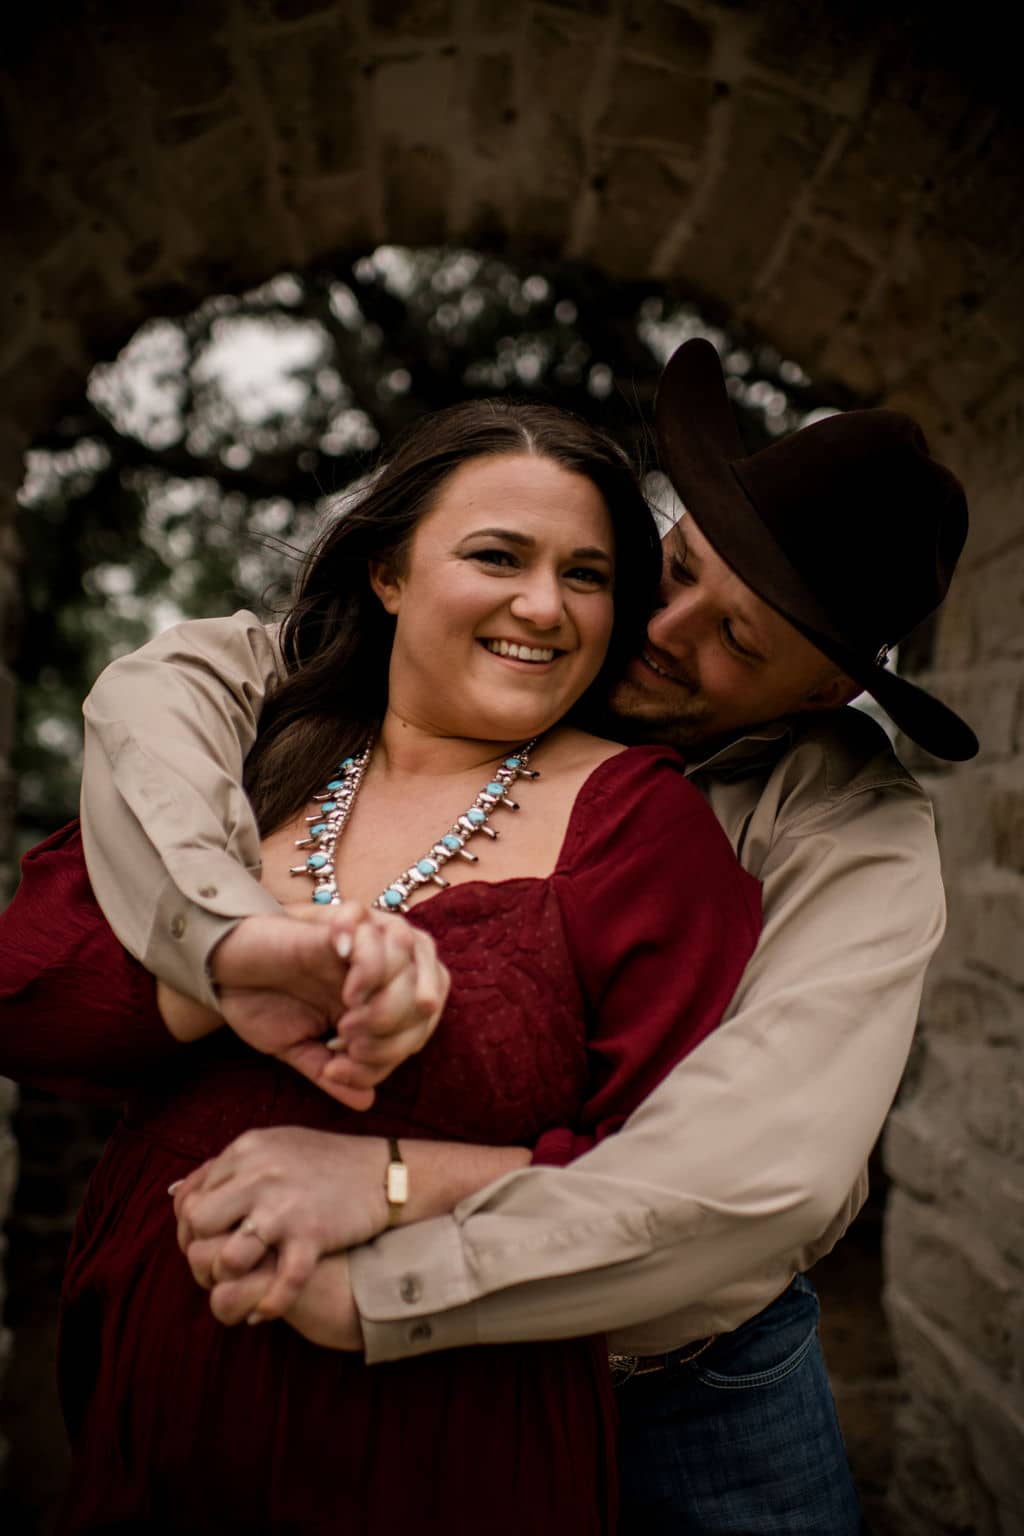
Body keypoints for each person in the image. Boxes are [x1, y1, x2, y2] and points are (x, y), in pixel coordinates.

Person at [29, 340, 978, 1531]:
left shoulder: (856, 835)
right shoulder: (520, 658)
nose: (665, 625)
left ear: (818, 695)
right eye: (675, 566)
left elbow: (756, 1174)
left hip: (686, 1387)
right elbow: (183, 677)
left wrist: (387, 1212)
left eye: (737, 638)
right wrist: (230, 952)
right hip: (413, 1391)